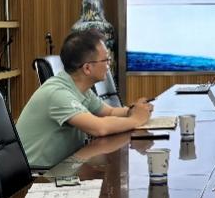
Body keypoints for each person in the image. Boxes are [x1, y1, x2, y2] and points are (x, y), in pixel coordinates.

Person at [16, 29, 153, 168]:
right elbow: (100, 128)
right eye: (106, 60)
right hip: (39, 174)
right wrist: (136, 119)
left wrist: (134, 110)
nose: (109, 65)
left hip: (64, 166)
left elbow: (110, 112)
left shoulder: (82, 89)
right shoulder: (58, 93)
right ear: (87, 68)